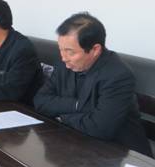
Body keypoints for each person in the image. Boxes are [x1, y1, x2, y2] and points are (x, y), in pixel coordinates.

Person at [34, 13, 152, 156]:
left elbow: (100, 128)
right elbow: (40, 101)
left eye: (70, 52)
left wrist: (62, 117)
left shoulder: (118, 75)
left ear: (95, 50)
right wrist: (78, 105)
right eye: (61, 49)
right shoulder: (65, 63)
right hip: (76, 141)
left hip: (121, 153)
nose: (64, 58)